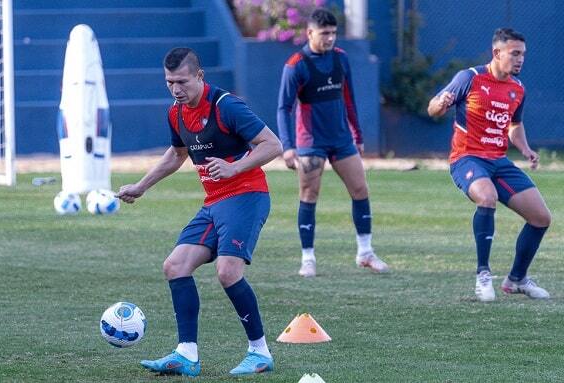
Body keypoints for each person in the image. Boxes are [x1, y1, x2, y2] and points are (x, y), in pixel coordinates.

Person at [116, 47, 282, 376]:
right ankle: (186, 354)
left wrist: (236, 168)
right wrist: (141, 185)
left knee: (227, 271)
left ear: (199, 76)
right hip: (214, 203)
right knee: (175, 265)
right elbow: (177, 155)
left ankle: (260, 352)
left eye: (182, 81)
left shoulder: (227, 106)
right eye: (169, 82)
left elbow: (272, 144)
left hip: (246, 196)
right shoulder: (176, 114)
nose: (176, 89)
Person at [427, 28, 552, 302]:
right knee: (487, 197)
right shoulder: (469, 78)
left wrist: (525, 148)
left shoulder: (517, 89)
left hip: (498, 162)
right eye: (515, 54)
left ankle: (516, 279)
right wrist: (441, 103)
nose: (520, 60)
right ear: (497, 53)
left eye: (523, 54)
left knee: (541, 218)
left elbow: (514, 126)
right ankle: (483, 275)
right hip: (467, 158)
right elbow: (432, 108)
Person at [277, 8, 388, 278]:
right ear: (310, 33)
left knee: (360, 189)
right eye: (324, 33)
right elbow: (284, 108)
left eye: (333, 33)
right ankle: (308, 258)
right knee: (308, 195)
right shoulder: (296, 65)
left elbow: (349, 98)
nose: (329, 38)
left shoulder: (340, 58)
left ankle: (365, 252)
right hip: (311, 143)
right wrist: (288, 146)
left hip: (341, 140)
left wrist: (358, 135)